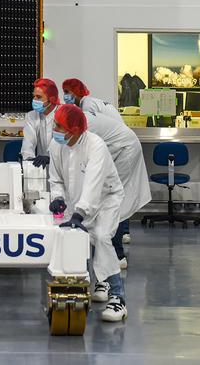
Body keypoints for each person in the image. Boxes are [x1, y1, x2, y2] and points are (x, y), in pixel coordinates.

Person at [47, 103, 127, 322]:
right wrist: (57, 199)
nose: (54, 129)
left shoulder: (95, 146)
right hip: (77, 200)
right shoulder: (57, 145)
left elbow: (93, 185)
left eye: (58, 126)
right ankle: (95, 283)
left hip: (105, 199)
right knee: (73, 237)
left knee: (101, 236)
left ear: (73, 130)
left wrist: (79, 214)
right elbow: (56, 178)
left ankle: (117, 298)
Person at [62, 78, 152, 270]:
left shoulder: (87, 111)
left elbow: (90, 147)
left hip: (124, 148)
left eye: (68, 92)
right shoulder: (86, 112)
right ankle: (113, 242)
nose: (66, 96)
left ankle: (117, 255)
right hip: (119, 145)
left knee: (112, 197)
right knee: (115, 194)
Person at [20, 78, 60, 170]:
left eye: (38, 97)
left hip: (61, 167)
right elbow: (28, 144)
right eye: (33, 96)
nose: (34, 100)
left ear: (52, 99)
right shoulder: (32, 115)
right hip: (40, 167)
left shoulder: (63, 114)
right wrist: (29, 161)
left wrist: (51, 159)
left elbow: (67, 148)